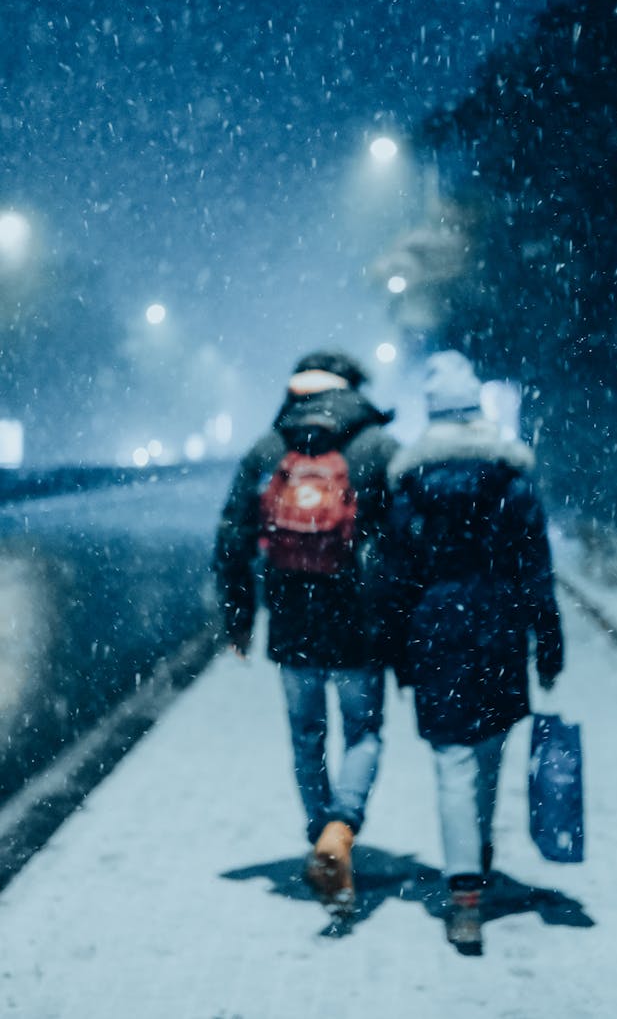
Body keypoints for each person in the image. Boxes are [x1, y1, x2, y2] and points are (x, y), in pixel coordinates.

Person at [385, 350, 564, 954]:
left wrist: (398, 650)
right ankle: (477, 857)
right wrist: (548, 636)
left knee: (452, 761)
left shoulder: (410, 484)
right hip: (499, 624)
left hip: (435, 628)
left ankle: (464, 893)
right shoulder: (511, 478)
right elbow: (535, 562)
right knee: (488, 750)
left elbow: (397, 575)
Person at [213, 350, 399, 914]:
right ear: (353, 387)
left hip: (292, 621)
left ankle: (319, 833)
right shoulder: (375, 448)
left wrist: (239, 617)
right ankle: (338, 833)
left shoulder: (271, 449)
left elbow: (231, 538)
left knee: (306, 735)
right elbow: (411, 542)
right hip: (359, 622)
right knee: (363, 732)